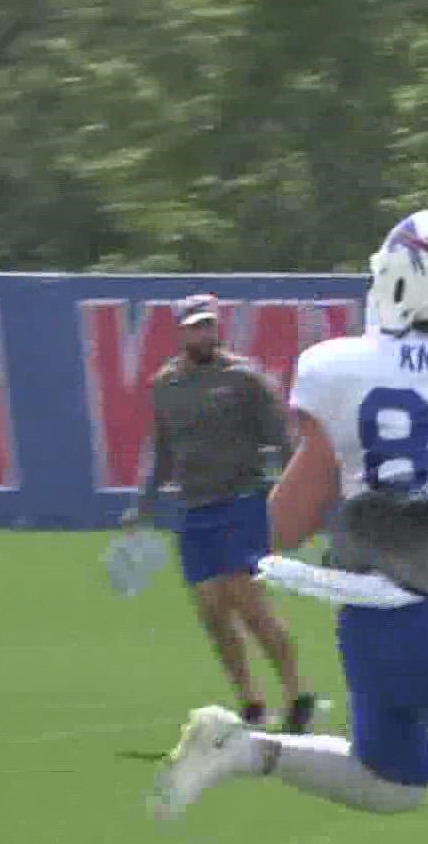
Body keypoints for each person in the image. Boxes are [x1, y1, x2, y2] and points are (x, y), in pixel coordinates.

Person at [144, 208, 428, 844]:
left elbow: (287, 524)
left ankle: (245, 750)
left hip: (367, 616)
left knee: (391, 780)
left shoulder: (344, 368)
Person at [125, 293, 316, 733]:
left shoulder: (245, 378)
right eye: (195, 325)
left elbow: (283, 442)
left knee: (247, 600)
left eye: (208, 324)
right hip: (194, 507)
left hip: (243, 500)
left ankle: (297, 693)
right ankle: (250, 700)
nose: (203, 332)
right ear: (181, 330)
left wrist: (297, 496)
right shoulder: (166, 385)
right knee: (212, 609)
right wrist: (144, 503)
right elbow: (163, 451)